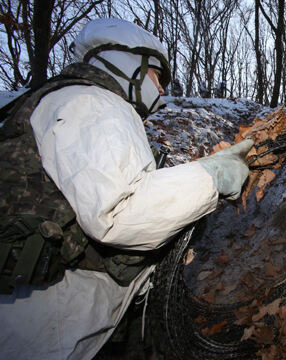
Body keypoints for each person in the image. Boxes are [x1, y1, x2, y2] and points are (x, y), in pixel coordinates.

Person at [0, 18, 252, 359]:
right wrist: (210, 176)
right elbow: (119, 213)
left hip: (42, 311)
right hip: (56, 319)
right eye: (156, 76)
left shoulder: (63, 99)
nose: (161, 90)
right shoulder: (94, 104)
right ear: (128, 61)